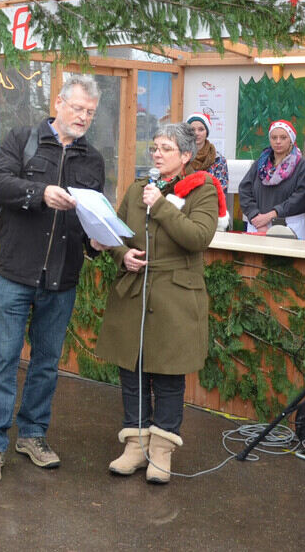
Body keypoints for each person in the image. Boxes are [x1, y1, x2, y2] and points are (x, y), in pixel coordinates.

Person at [0, 75, 105, 484]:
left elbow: (90, 219)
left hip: (61, 279)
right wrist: (40, 193)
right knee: (4, 359)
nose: (83, 117)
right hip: (15, 272)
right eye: (78, 108)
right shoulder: (22, 139)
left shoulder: (93, 160)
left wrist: (99, 242)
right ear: (60, 103)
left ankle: (32, 434)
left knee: (46, 364)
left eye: (90, 112)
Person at [94, 123, 220, 483]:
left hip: (176, 295)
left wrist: (162, 205)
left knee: (166, 374)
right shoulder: (137, 190)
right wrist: (122, 255)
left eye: (166, 149)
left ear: (185, 156)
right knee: (132, 373)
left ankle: (161, 451)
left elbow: (198, 237)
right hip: (134, 291)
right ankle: (135, 445)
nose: (157, 154)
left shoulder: (203, 189)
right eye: (155, 148)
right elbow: (114, 230)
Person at [238, 119, 305, 239]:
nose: (278, 141)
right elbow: (244, 190)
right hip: (257, 226)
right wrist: (255, 217)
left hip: (289, 227)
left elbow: (300, 196)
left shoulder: (301, 165)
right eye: (274, 137)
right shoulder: (260, 164)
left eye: (283, 137)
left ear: (291, 139)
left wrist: (272, 215)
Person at [185, 112, 228, 191]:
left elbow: (221, 190)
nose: (196, 133)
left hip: (209, 201)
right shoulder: (180, 157)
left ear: (207, 132)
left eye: (201, 129)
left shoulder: (218, 159)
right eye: (192, 130)